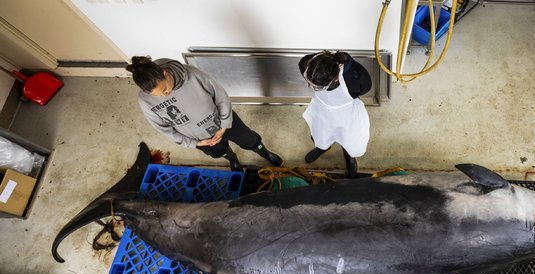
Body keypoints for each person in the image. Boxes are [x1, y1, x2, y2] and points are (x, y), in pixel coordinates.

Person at [126, 56, 283, 171]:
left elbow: (221, 97)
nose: (164, 96)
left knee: (250, 139)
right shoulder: (145, 100)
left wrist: (225, 124)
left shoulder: (193, 75)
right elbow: (163, 128)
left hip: (223, 121)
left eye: (164, 90)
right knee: (219, 151)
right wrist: (193, 143)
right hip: (200, 137)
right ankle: (233, 160)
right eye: (157, 95)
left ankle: (265, 153)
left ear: (166, 74)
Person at [299, 50, 371, 178]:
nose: (313, 88)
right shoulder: (307, 64)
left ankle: (349, 156)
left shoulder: (355, 77)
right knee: (320, 134)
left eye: (319, 87)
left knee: (349, 139)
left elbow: (366, 88)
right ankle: (323, 147)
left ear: (336, 78)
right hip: (322, 109)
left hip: (348, 115)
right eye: (311, 84)